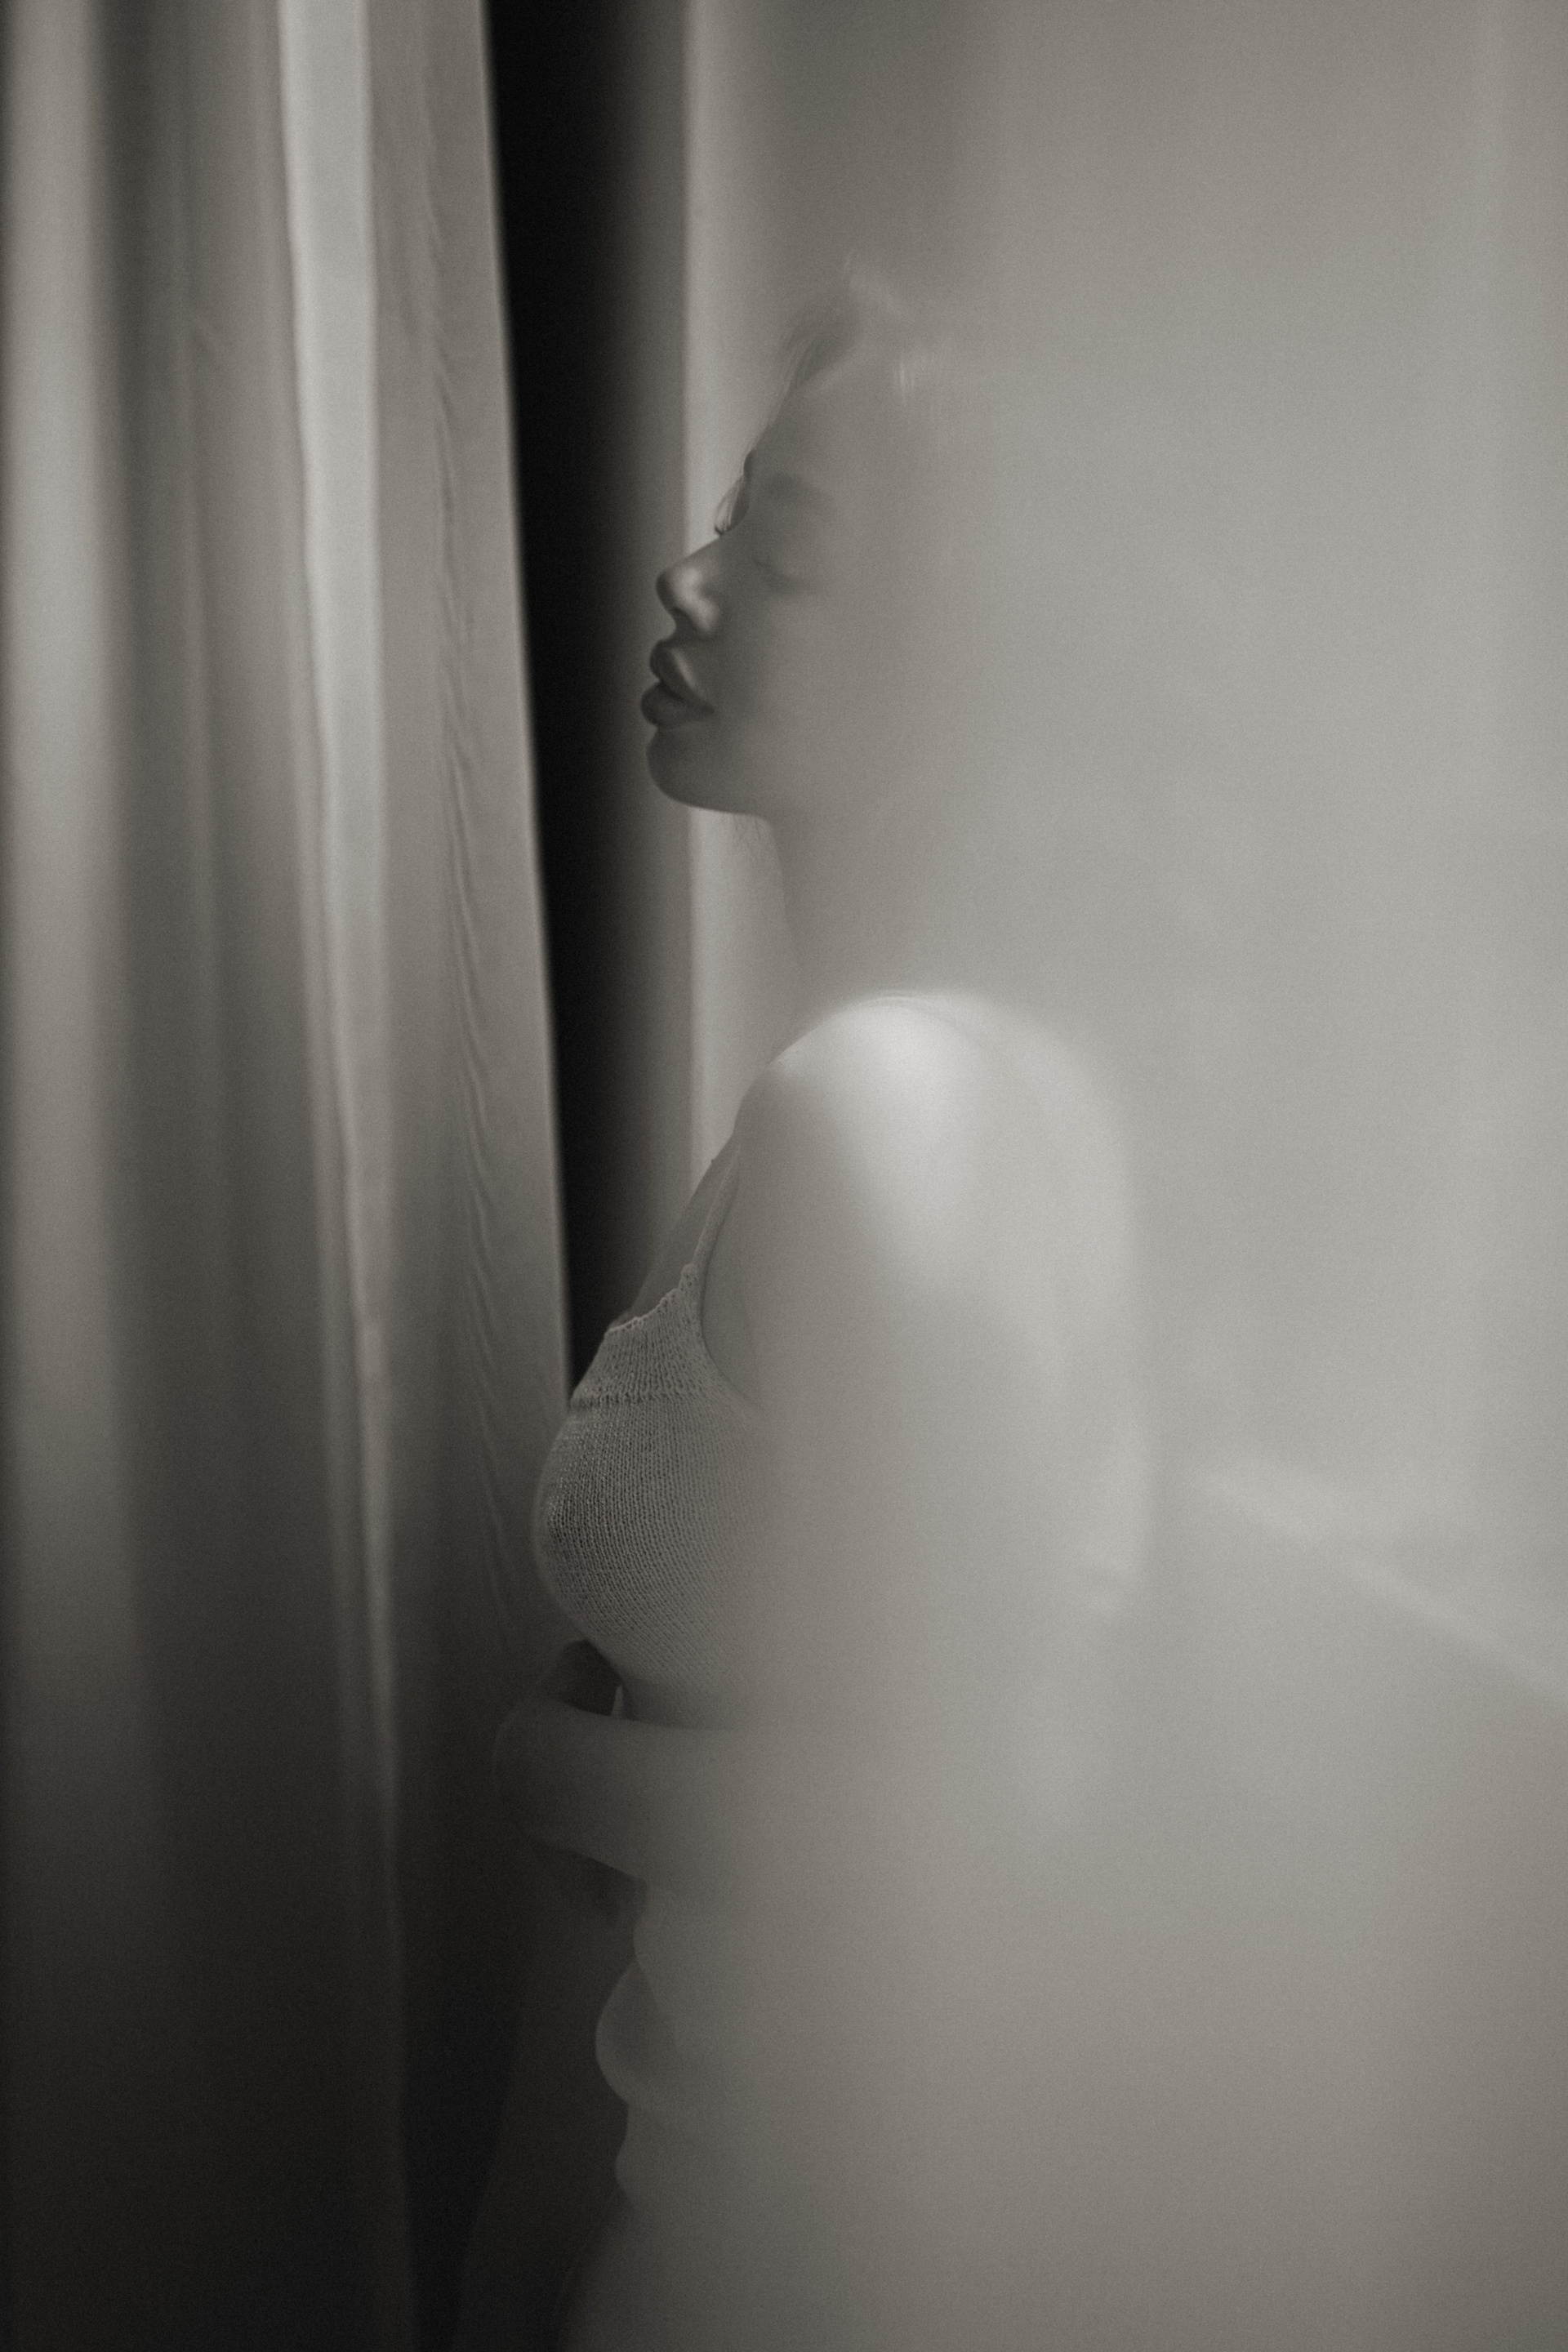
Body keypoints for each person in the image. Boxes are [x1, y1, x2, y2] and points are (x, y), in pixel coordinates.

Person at [483, 272, 1156, 2352]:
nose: (682, 582)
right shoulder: (872, 1091)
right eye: (725, 517)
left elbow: (991, 1831)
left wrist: (538, 1761)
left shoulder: (888, 1105)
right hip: (708, 2189)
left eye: (778, 552)